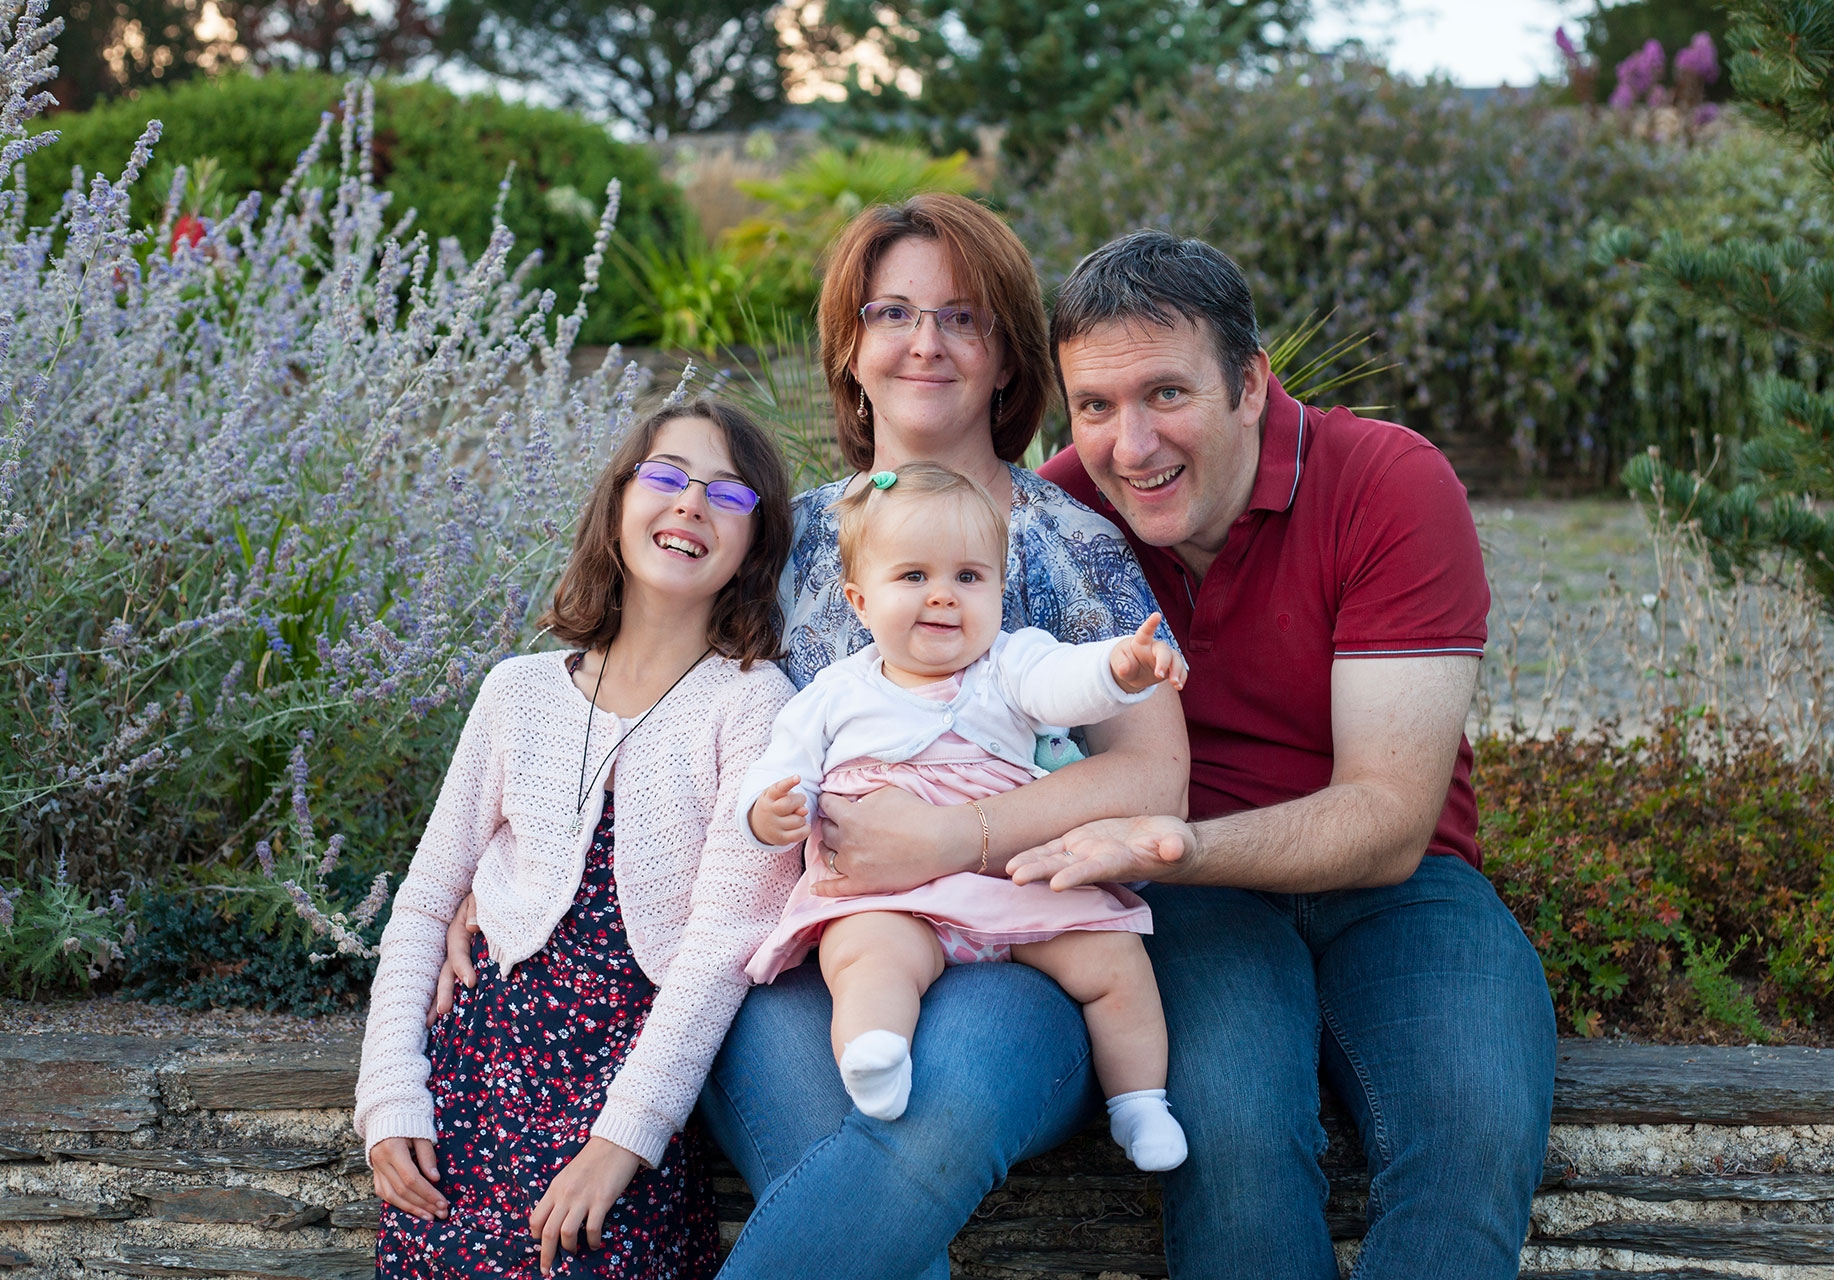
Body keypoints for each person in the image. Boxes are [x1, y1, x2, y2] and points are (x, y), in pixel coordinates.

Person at [437, 196, 1188, 1280]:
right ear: (848, 347)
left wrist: (960, 835)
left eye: (962, 317)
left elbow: (1157, 775)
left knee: (927, 1119)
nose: (925, 341)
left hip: (1020, 943)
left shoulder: (1073, 543)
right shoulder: (785, 545)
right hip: (809, 945)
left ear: (1007, 358)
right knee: (841, 1156)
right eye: (892, 312)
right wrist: (519, 862)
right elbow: (656, 711)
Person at [1014, 229, 1558, 1278]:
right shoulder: (1064, 512)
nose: (1131, 445)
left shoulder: (1386, 483)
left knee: (1474, 1138)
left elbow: (1389, 820)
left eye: (1166, 393)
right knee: (1233, 1144)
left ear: (1251, 384)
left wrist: (1177, 843)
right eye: (1095, 406)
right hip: (1193, 905)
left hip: (1397, 887)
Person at [354, 398, 799, 1279]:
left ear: (756, 544)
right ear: (618, 503)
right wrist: (390, 1095)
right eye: (667, 476)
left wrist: (624, 1139)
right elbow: (425, 903)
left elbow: (723, 940)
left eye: (728, 494)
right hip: (474, 1082)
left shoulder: (752, 705)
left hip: (627, 1082)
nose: (691, 504)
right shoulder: (517, 693)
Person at [741, 462, 1190, 1171]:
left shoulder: (1010, 663)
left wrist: (1118, 670)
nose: (943, 596)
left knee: (1115, 959)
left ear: (998, 590)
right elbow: (782, 765)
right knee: (865, 957)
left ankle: (1139, 1102)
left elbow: (1065, 683)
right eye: (913, 576)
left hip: (1008, 879)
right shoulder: (834, 692)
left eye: (969, 577)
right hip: (891, 895)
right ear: (860, 601)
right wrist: (767, 811)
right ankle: (875, 1052)